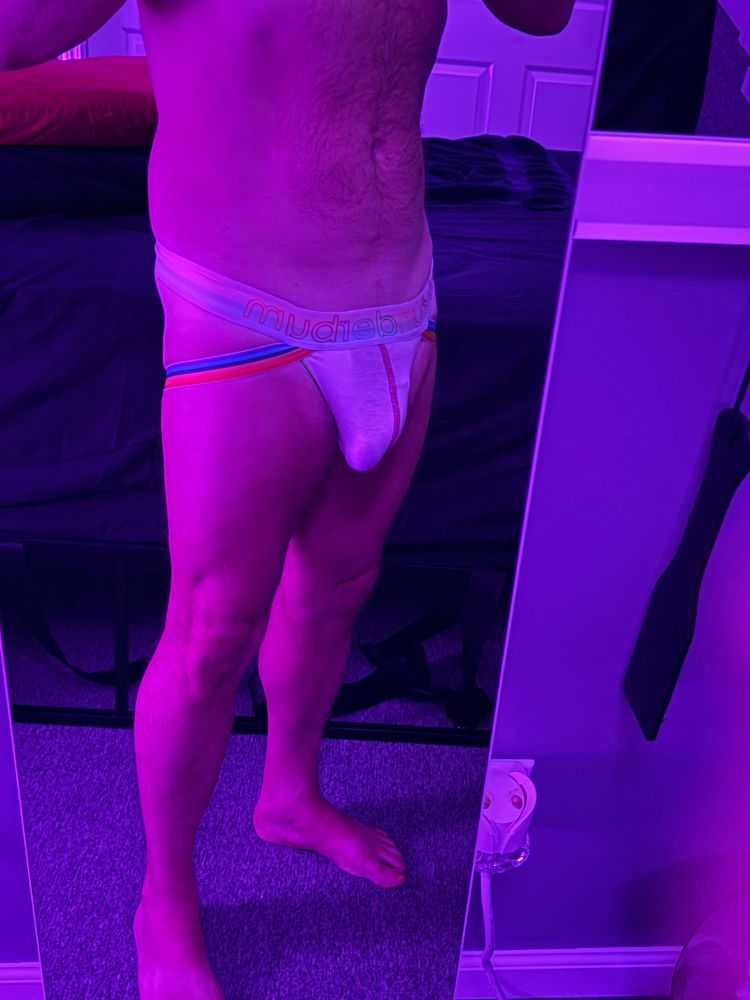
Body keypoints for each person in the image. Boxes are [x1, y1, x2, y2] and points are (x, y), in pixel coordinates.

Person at [0, 1, 574, 995]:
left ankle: (290, 795)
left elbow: (545, 16)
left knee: (341, 584)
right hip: (242, 309)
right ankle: (164, 899)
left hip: (402, 298)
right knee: (213, 629)